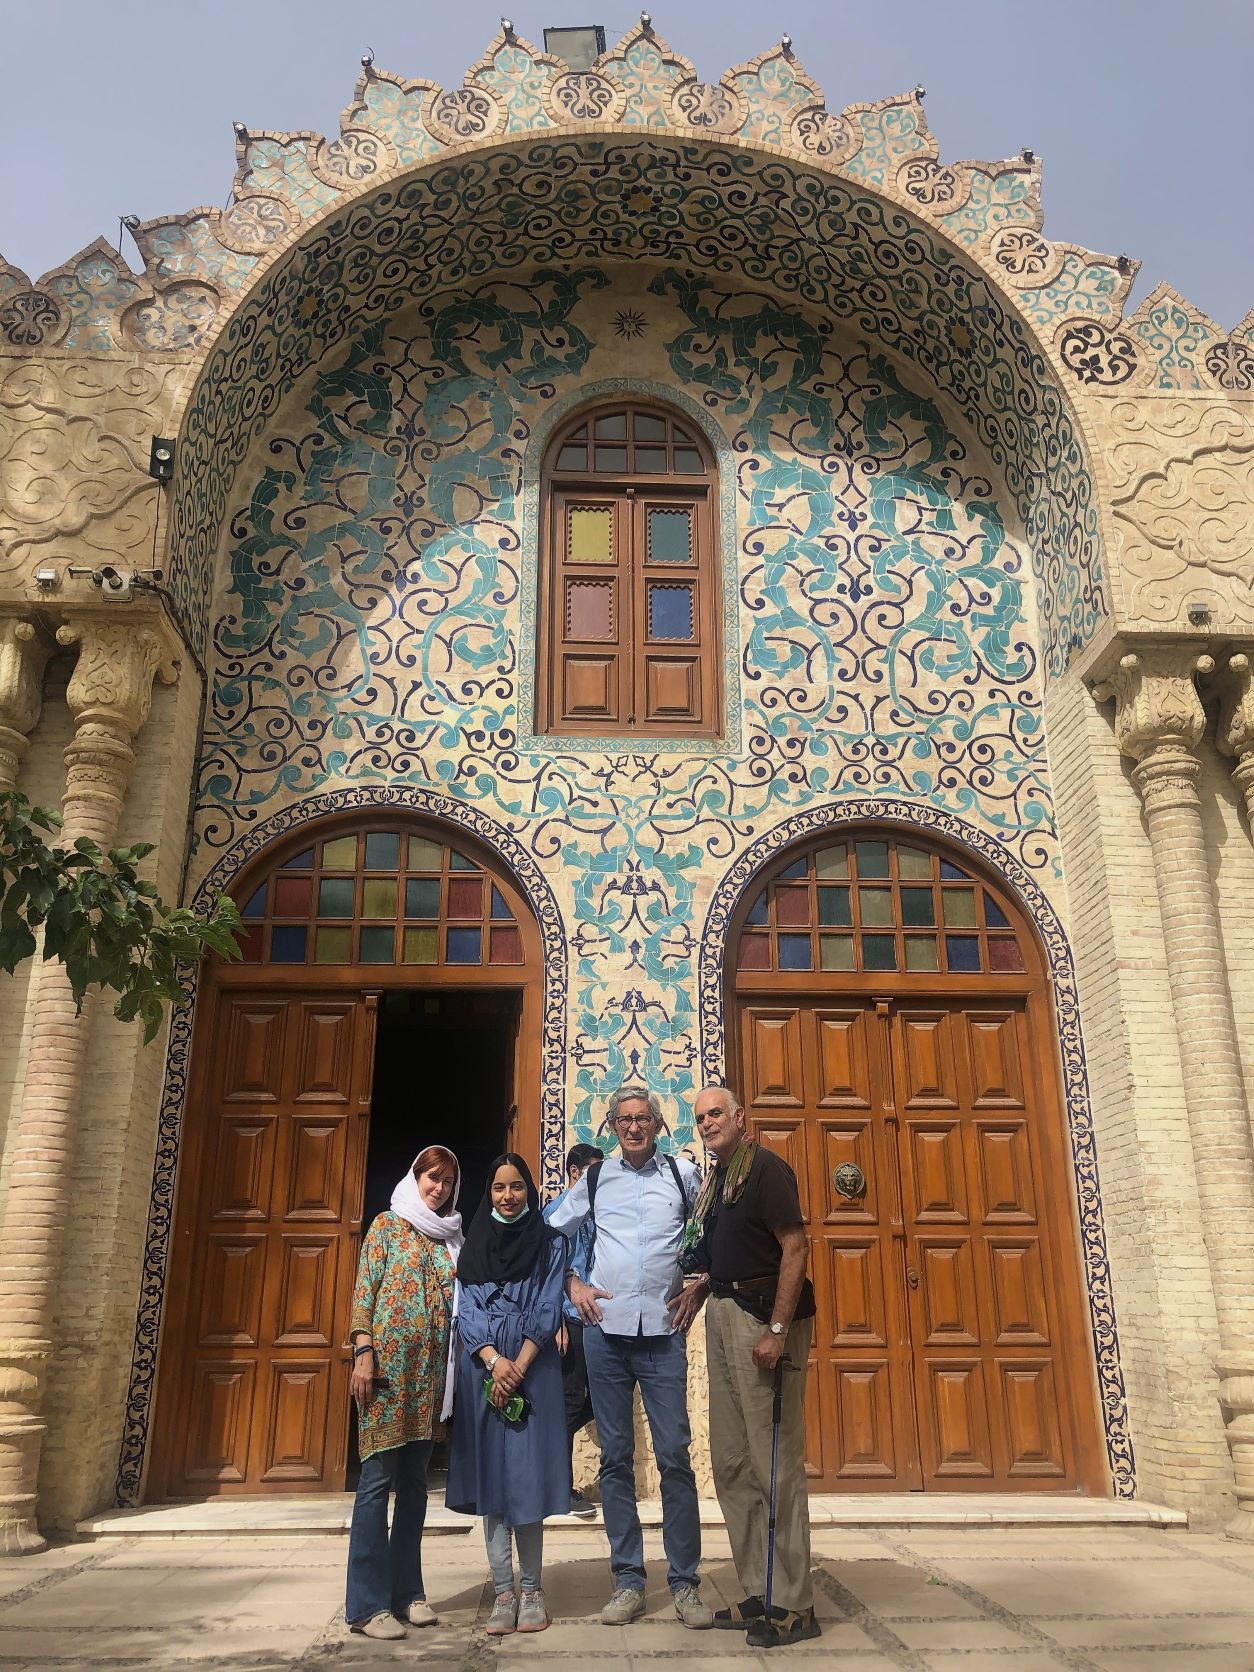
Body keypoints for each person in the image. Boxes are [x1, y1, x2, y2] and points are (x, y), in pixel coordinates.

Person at [547, 1086, 712, 1630]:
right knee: (615, 1459)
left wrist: (700, 1283)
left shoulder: (684, 1177)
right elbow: (549, 1230)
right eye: (625, 1120)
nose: (634, 1128)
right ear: (613, 1127)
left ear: (659, 1126)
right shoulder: (596, 1178)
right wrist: (571, 1283)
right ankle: (628, 1580)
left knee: (674, 1457)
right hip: (606, 1333)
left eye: (644, 1119)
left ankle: (685, 1583)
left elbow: (713, 1237)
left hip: (664, 1333)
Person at [691, 1086, 820, 1648]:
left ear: (741, 1118)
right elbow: (724, 1250)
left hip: (762, 1321)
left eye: (716, 1113)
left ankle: (795, 1606)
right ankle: (759, 1590)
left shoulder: (765, 1170)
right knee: (732, 1460)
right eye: (700, 1118)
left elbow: (795, 1248)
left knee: (774, 1464)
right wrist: (700, 1289)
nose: (707, 1123)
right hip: (723, 1311)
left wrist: (777, 1330)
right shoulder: (718, 1179)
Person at [446, 1153, 570, 1636]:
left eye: (517, 1187)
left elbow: (548, 1302)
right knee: (494, 1480)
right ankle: (503, 1590)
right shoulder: (473, 1245)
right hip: (486, 1370)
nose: (508, 1196)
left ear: (529, 1191)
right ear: (488, 1194)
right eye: (499, 1188)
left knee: (527, 1475)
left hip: (532, 1367)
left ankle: (533, 1589)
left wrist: (517, 1364)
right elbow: (468, 1307)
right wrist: (493, 1360)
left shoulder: (549, 1243)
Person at [345, 1145, 464, 1641]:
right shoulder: (386, 1225)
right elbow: (364, 1291)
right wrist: (363, 1351)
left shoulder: (449, 1238)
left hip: (428, 1379)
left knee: (415, 1485)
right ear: (415, 1177)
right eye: (431, 1179)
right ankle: (367, 1606)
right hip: (386, 1376)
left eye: (446, 1183)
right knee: (376, 1485)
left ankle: (408, 1593)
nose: (438, 1189)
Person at [543, 1142, 604, 1518]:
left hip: (596, 1318)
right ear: (574, 1173)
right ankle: (561, 1489)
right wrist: (554, 1322)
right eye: (591, 1173)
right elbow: (545, 1273)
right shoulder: (556, 1212)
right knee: (569, 1400)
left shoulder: (599, 1213)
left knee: (599, 1399)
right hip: (568, 1318)